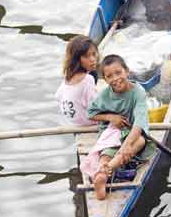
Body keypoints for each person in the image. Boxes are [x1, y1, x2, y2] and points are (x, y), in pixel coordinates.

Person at [84, 54, 154, 200]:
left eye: (118, 73)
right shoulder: (104, 95)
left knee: (140, 141)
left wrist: (126, 145)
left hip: (134, 131)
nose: (115, 79)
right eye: (109, 76)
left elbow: (139, 122)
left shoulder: (138, 92)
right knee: (108, 148)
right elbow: (90, 113)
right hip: (113, 131)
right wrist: (110, 117)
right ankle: (103, 169)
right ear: (105, 79)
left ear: (126, 71)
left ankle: (105, 171)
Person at [55, 35, 98, 125]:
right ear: (77, 59)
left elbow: (58, 96)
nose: (93, 59)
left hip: (74, 122)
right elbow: (95, 111)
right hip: (90, 123)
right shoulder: (88, 79)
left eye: (94, 54)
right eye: (86, 56)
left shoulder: (68, 77)